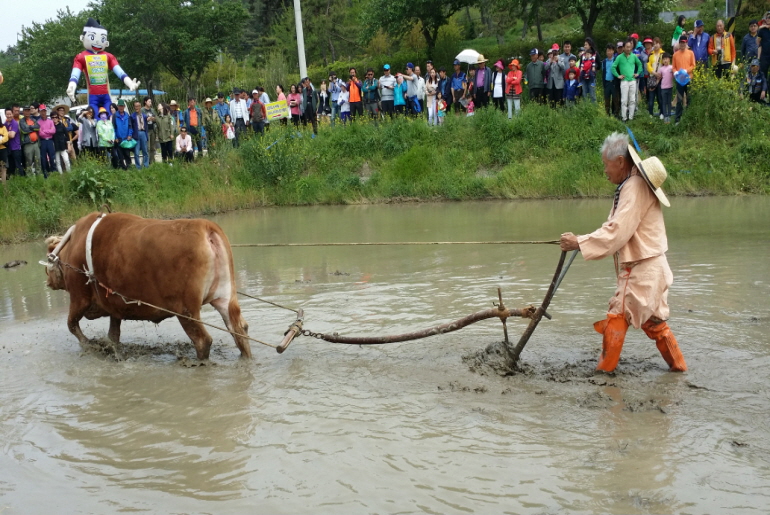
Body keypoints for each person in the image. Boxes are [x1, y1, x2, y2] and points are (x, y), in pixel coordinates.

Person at [560, 132, 686, 374]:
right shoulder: (633, 184)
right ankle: (679, 369)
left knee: (617, 314)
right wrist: (584, 241)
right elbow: (616, 228)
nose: (604, 171)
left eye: (606, 165)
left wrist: (580, 242)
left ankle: (604, 373)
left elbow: (618, 232)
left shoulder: (634, 186)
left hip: (642, 267)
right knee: (654, 321)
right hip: (655, 265)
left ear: (619, 161)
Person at [612, 39, 643, 121]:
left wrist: (638, 73)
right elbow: (613, 67)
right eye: (627, 47)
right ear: (624, 48)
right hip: (624, 81)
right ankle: (624, 117)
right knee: (624, 100)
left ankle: (631, 117)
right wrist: (618, 75)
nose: (628, 49)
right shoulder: (619, 57)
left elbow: (640, 64)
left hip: (633, 81)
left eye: (630, 47)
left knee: (632, 100)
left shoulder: (633, 56)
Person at [673, 35, 695, 124]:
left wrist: (687, 70)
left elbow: (693, 65)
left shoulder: (690, 53)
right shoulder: (675, 54)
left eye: (684, 42)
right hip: (679, 80)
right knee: (679, 99)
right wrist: (675, 72)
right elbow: (673, 67)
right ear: (679, 43)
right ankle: (677, 119)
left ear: (686, 43)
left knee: (689, 98)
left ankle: (689, 118)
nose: (682, 44)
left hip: (689, 79)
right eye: (681, 42)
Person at [19, 106, 41, 176]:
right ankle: (29, 177)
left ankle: (39, 176)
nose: (27, 112)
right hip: (27, 144)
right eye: (26, 110)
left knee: (38, 160)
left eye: (28, 110)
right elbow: (24, 130)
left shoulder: (33, 119)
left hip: (36, 143)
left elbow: (38, 127)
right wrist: (33, 127)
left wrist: (30, 127)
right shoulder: (21, 121)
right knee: (29, 161)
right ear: (23, 112)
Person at [112, 99, 132, 170]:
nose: (121, 107)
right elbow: (113, 128)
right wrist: (115, 137)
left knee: (127, 154)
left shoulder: (127, 115)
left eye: (122, 106)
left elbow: (130, 126)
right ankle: (123, 168)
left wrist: (130, 135)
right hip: (119, 139)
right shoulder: (115, 116)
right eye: (120, 106)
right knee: (120, 155)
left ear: (124, 106)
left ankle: (129, 167)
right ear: (117, 106)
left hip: (126, 138)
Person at [130, 101, 150, 169]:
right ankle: (138, 167)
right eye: (135, 106)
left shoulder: (144, 115)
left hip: (143, 133)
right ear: (134, 107)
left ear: (140, 106)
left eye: (138, 106)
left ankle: (146, 165)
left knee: (145, 151)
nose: (137, 108)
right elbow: (131, 127)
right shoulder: (132, 116)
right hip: (136, 134)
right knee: (136, 152)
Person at [38, 105, 56, 176]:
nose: (43, 113)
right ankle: (45, 172)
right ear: (39, 112)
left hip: (50, 141)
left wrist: (45, 131)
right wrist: (49, 131)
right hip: (43, 141)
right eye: (42, 111)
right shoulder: (38, 122)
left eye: (44, 111)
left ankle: (54, 171)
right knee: (43, 158)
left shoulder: (50, 121)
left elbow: (53, 131)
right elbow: (40, 133)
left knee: (52, 156)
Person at [3, 108, 22, 177]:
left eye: (10, 114)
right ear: (5, 115)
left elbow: (12, 135)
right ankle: (13, 181)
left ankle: (22, 180)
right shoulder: (5, 124)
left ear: (12, 114)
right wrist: (8, 133)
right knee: (11, 166)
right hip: (9, 148)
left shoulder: (14, 123)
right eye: (7, 114)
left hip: (16, 147)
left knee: (18, 165)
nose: (9, 116)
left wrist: (5, 134)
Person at [658, 53, 674, 124]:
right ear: (662, 61)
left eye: (666, 59)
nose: (665, 60)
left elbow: (674, 76)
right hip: (663, 88)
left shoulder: (671, 67)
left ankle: (669, 115)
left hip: (670, 87)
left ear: (669, 60)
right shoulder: (661, 69)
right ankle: (665, 116)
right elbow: (659, 77)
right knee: (664, 102)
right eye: (664, 59)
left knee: (669, 102)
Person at [755, 11, 770, 78]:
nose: (768, 19)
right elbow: (758, 42)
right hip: (764, 55)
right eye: (766, 18)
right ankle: (764, 88)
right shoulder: (762, 30)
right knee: (763, 74)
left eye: (769, 17)